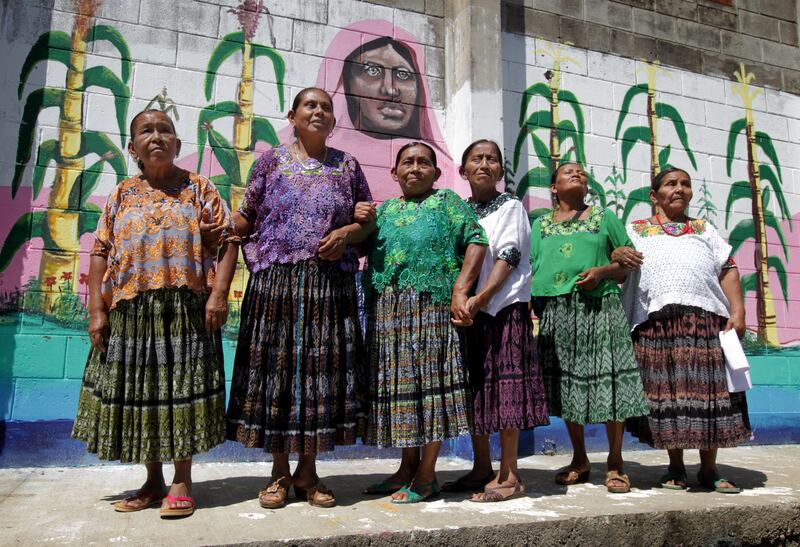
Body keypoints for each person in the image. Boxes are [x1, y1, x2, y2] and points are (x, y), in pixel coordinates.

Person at [72, 109, 240, 518]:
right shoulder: (122, 194)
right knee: (142, 395)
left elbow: (230, 239)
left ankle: (182, 480)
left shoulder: (198, 188)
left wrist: (218, 294)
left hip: (185, 309)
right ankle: (152, 480)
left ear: (178, 144)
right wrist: (97, 308)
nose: (157, 137)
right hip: (132, 310)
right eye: (146, 131)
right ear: (133, 148)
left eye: (165, 130)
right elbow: (100, 252)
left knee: (182, 392)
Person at [225, 87, 374, 509]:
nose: (319, 111)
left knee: (319, 377)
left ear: (333, 120)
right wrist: (214, 227)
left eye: (326, 107)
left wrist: (347, 232)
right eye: (310, 105)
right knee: (277, 375)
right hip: (277, 285)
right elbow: (246, 215)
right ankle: (278, 472)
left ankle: (308, 472)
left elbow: (367, 223)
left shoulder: (348, 166)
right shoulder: (270, 162)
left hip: (330, 288)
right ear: (292, 115)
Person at [359, 142, 488, 503]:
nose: (415, 168)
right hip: (389, 316)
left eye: (423, 163)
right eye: (407, 162)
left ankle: (427, 476)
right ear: (394, 172)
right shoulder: (383, 212)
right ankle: (406, 468)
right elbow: (358, 247)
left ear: (436, 171)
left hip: (432, 311)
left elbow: (477, 240)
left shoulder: (447, 203)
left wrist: (461, 290)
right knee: (403, 394)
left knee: (430, 392)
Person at [614, 167, 751, 493]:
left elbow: (728, 268)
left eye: (685, 184)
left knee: (711, 398)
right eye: (671, 183)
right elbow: (617, 267)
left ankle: (709, 469)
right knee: (669, 400)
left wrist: (738, 310)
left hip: (706, 323)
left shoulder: (704, 229)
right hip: (657, 326)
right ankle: (675, 467)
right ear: (654, 195)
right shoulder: (635, 230)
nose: (680, 189)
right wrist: (617, 253)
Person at [531, 162, 649, 494]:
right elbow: (533, 266)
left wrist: (602, 270)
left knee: (610, 383)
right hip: (557, 311)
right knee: (568, 385)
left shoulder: (604, 217)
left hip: (600, 307)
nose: (578, 175)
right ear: (553, 187)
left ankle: (615, 463)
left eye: (582, 173)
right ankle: (580, 459)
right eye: (569, 172)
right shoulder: (540, 225)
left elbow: (628, 263)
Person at [441, 140, 549, 502]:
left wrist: (481, 297)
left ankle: (510, 474)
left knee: (506, 389)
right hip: (469, 313)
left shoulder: (511, 206)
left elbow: (509, 254)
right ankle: (482, 467)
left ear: (501, 171)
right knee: (475, 388)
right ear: (464, 170)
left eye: (492, 159)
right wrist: (462, 303)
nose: (484, 164)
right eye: (477, 158)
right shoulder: (461, 210)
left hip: (503, 307)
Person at [306, 21, 468, 202]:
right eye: (372, 71)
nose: (390, 90)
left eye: (403, 75)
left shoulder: (448, 170)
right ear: (346, 79)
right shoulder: (300, 156)